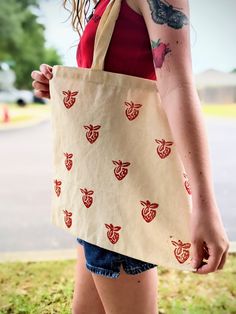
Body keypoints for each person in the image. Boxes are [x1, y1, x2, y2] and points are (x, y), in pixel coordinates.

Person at [31, 0, 230, 313]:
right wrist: (63, 90)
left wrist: (204, 203)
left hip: (119, 198)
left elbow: (176, 85)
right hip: (95, 196)